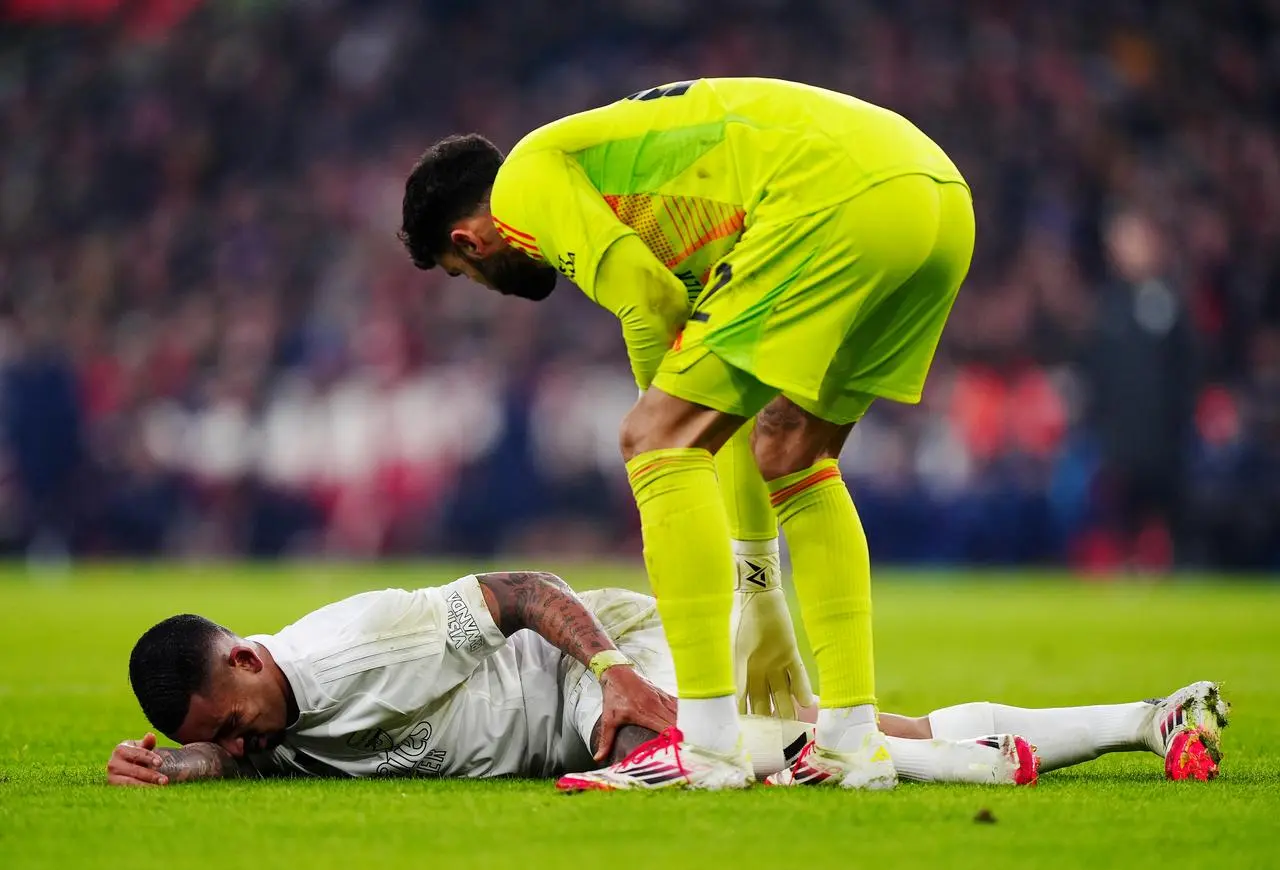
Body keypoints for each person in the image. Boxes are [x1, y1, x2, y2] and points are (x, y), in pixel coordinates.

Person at [398, 77, 977, 789]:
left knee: (656, 438)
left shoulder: (522, 183)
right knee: (793, 452)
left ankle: (704, 745)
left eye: (465, 273)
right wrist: (759, 586)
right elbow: (719, 398)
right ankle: (853, 741)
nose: (481, 282)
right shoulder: (659, 198)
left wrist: (660, 428)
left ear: (468, 241)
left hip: (833, 198)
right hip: (933, 195)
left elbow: (647, 302)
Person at [105, 571, 1229, 788]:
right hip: (585, 718)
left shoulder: (360, 642)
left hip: (608, 681)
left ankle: (975, 765)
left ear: (250, 659)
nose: (251, 747)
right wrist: (197, 758)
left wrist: (611, 676)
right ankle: (1142, 719)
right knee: (863, 726)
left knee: (770, 754)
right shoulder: (261, 724)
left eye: (238, 723)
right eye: (232, 738)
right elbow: (245, 749)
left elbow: (519, 589)